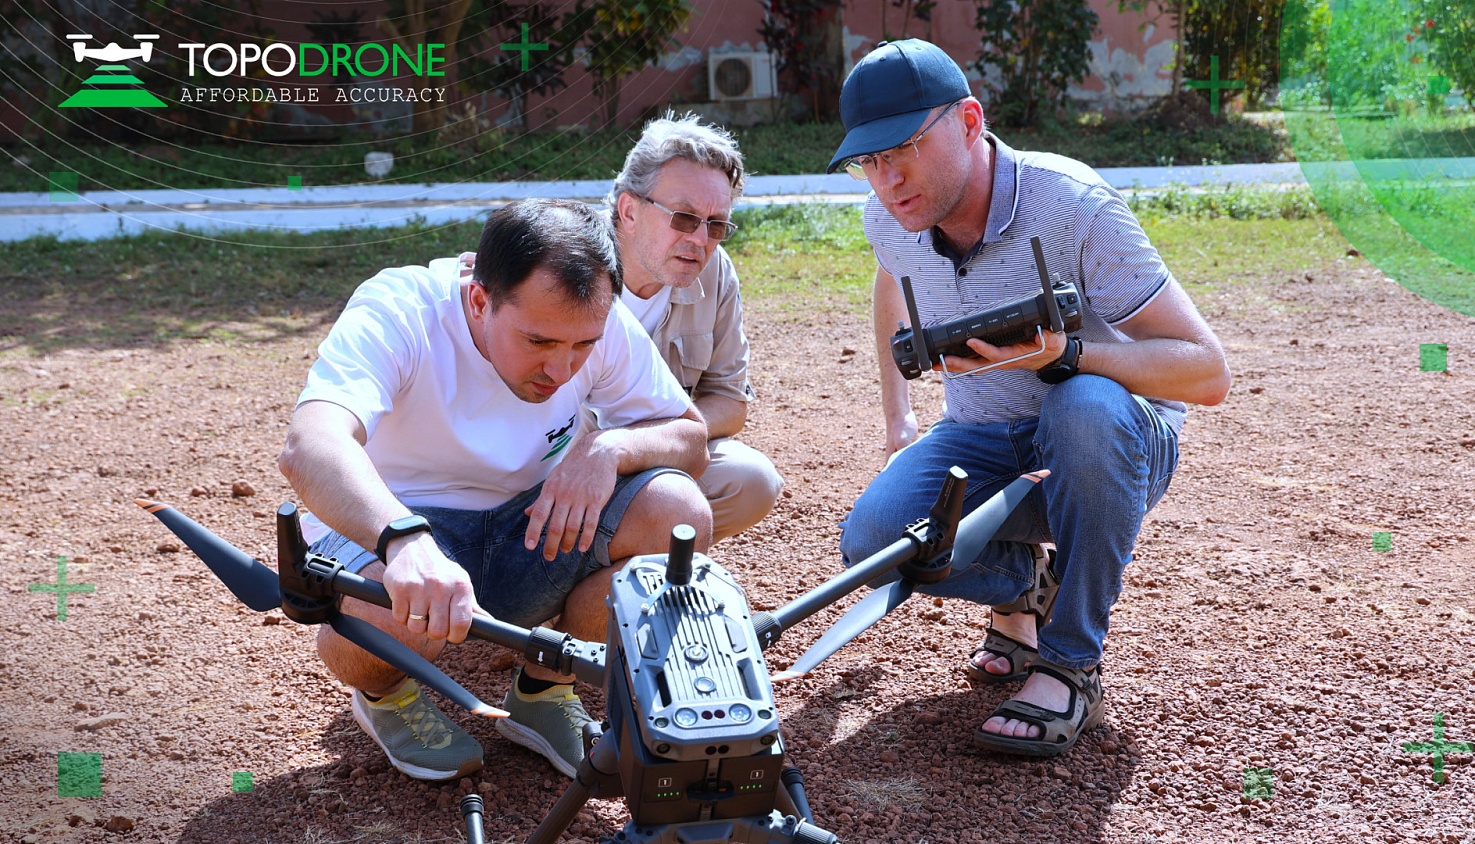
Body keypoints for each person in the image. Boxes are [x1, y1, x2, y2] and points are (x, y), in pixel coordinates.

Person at [829, 40, 1231, 756]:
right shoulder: (891, 216)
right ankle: (1025, 587)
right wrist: (899, 417)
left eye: (905, 148)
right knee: (871, 541)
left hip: (1111, 445)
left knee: (1081, 405)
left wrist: (1067, 356)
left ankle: (1070, 665)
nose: (887, 179)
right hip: (982, 439)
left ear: (970, 121)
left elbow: (1206, 373)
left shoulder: (1070, 205)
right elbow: (891, 277)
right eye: (869, 160)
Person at [278, 198, 712, 783]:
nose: (563, 370)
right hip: (406, 540)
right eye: (538, 342)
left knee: (677, 512)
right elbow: (311, 443)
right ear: (480, 300)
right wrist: (404, 540)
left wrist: (609, 448)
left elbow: (690, 434)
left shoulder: (589, 321)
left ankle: (545, 687)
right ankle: (386, 695)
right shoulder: (402, 308)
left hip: (531, 527)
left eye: (583, 346)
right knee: (376, 612)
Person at [463, 113, 783, 542]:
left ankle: (620, 561)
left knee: (749, 480)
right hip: (539, 457)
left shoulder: (715, 273)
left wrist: (636, 444)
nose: (701, 240)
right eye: (685, 217)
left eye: (717, 224)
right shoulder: (560, 257)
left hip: (636, 457)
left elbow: (729, 400)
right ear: (629, 210)